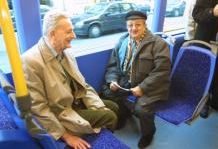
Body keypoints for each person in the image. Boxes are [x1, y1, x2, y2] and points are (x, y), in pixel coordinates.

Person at [21, 10, 118, 149]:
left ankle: (103, 136)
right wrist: (66, 136)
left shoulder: (66, 52)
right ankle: (105, 142)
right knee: (111, 117)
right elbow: (38, 108)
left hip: (75, 101)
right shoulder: (30, 61)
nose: (74, 35)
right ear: (52, 34)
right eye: (68, 32)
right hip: (60, 113)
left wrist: (98, 106)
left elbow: (83, 85)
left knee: (113, 107)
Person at [102, 10, 171, 148]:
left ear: (145, 25)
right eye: (130, 25)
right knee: (107, 93)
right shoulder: (122, 41)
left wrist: (143, 87)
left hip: (151, 84)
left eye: (138, 25)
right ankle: (124, 112)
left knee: (142, 110)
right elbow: (113, 65)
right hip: (127, 80)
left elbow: (162, 72)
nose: (133, 28)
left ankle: (148, 133)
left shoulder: (158, 44)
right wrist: (112, 80)